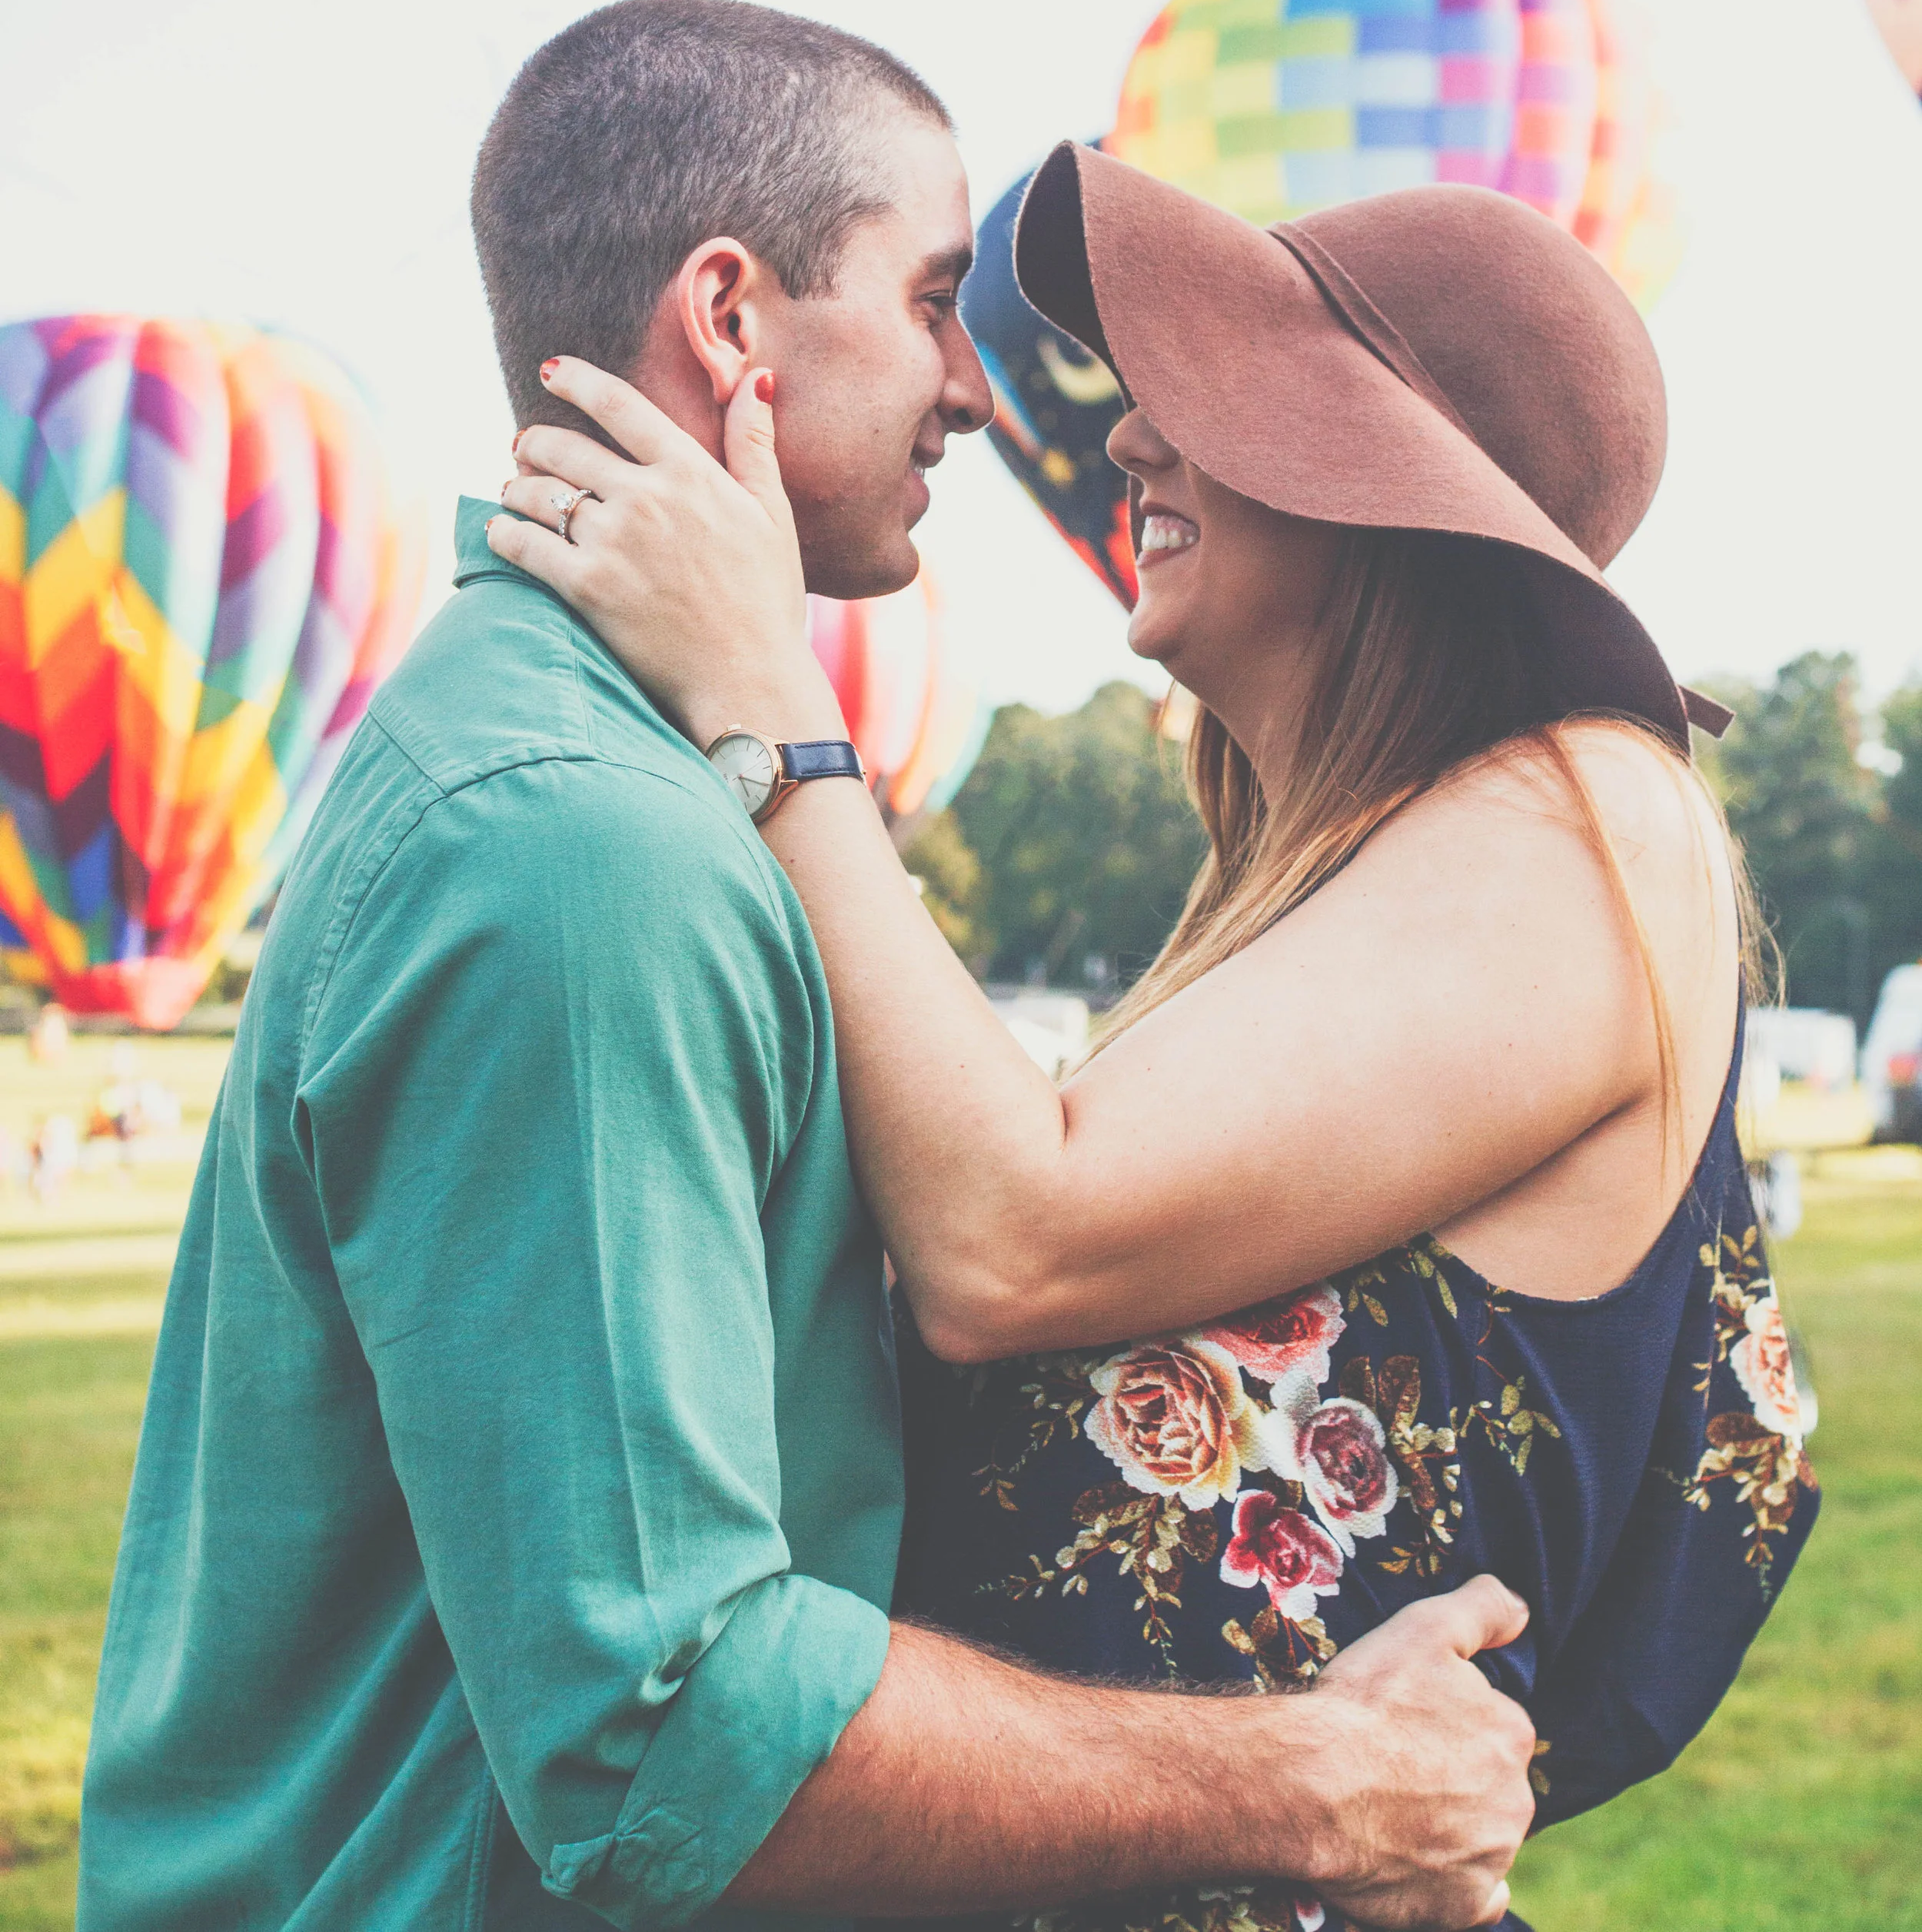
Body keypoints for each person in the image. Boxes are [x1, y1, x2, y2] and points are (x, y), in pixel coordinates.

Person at [78, 2, 1536, 1932]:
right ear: (733, 320)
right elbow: (665, 1740)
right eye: (931, 302)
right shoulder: (575, 849)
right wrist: (1317, 1782)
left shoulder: (631, 779)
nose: (972, 390)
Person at [494, 134, 1822, 1932]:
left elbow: (1002, 1237)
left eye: (1214, 393)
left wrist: (768, 701)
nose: (1127, 434)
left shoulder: (1591, 817)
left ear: (1390, 487)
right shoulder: (1321, 892)